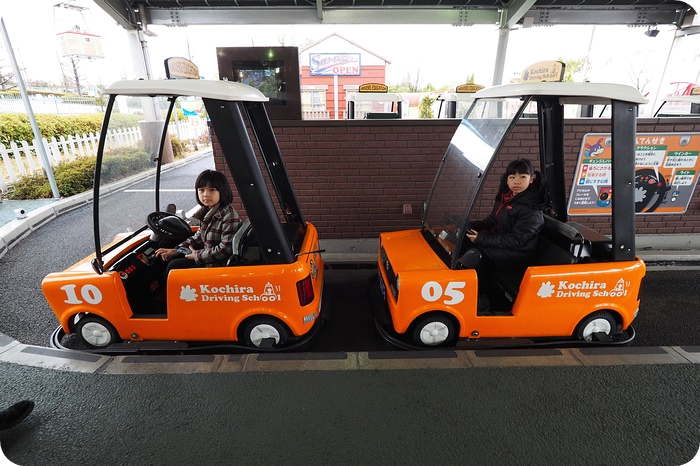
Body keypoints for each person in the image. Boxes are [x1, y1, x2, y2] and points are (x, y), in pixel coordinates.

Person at [461, 158, 550, 308]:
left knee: (479, 255)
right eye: (512, 177)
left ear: (532, 179)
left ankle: (481, 297)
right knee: (463, 241)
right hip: (503, 244)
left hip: (518, 253)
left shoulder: (532, 210)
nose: (517, 181)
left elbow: (516, 240)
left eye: (522, 177)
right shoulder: (507, 198)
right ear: (507, 179)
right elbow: (491, 220)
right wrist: (468, 225)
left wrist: (481, 239)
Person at [155, 170, 241, 274]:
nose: (206, 195)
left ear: (222, 191)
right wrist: (177, 250)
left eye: (212, 190)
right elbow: (199, 237)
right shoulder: (207, 211)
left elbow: (225, 249)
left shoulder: (229, 216)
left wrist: (197, 255)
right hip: (207, 259)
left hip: (217, 266)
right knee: (167, 260)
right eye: (201, 190)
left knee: (174, 266)